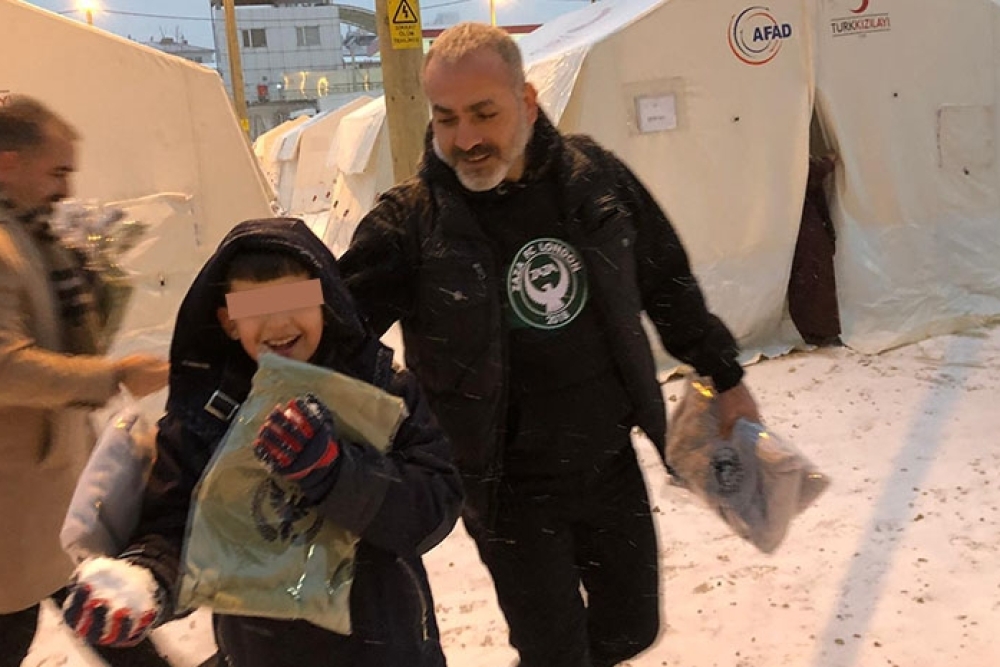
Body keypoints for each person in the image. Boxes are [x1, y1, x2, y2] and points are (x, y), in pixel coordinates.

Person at [338, 22, 762, 667]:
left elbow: (666, 282)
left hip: (607, 462)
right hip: (503, 488)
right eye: (447, 119)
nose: (467, 138)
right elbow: (331, 327)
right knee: (553, 650)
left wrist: (725, 375)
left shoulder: (596, 180)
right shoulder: (410, 223)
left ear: (528, 101)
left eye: (485, 113)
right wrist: (254, 294)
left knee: (632, 629)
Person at [60, 218, 464, 667]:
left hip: (386, 647)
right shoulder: (208, 412)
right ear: (228, 322)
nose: (277, 323)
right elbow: (178, 527)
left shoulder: (381, 389)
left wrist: (334, 471)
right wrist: (144, 578)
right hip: (261, 651)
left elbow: (432, 508)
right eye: (255, 308)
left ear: (325, 300)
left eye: (294, 300)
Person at [0, 95, 170, 666]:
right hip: (16, 503)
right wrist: (113, 375)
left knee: (108, 614)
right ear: (7, 162)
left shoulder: (34, 239)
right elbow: (6, 366)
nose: (67, 189)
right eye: (57, 171)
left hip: (47, 495)